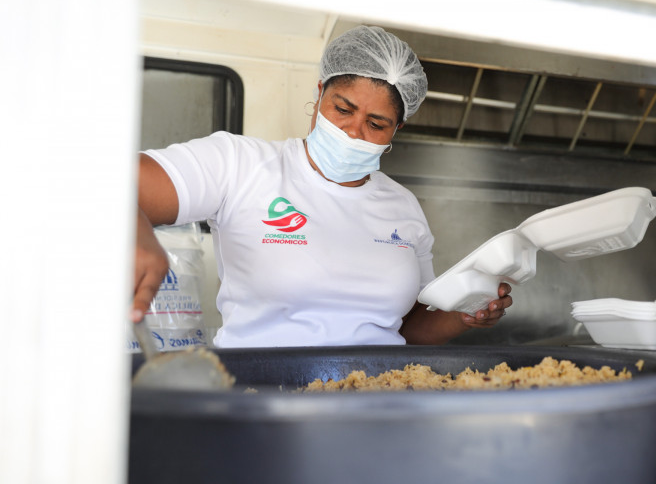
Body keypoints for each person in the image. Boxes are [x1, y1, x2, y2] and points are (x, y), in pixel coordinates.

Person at [131, 25, 512, 347]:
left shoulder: (403, 205)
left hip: (377, 393)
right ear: (319, 95)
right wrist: (135, 233)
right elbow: (116, 181)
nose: (353, 131)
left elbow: (407, 327)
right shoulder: (240, 164)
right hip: (262, 391)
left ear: (397, 129)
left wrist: (464, 313)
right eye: (343, 109)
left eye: (376, 124)